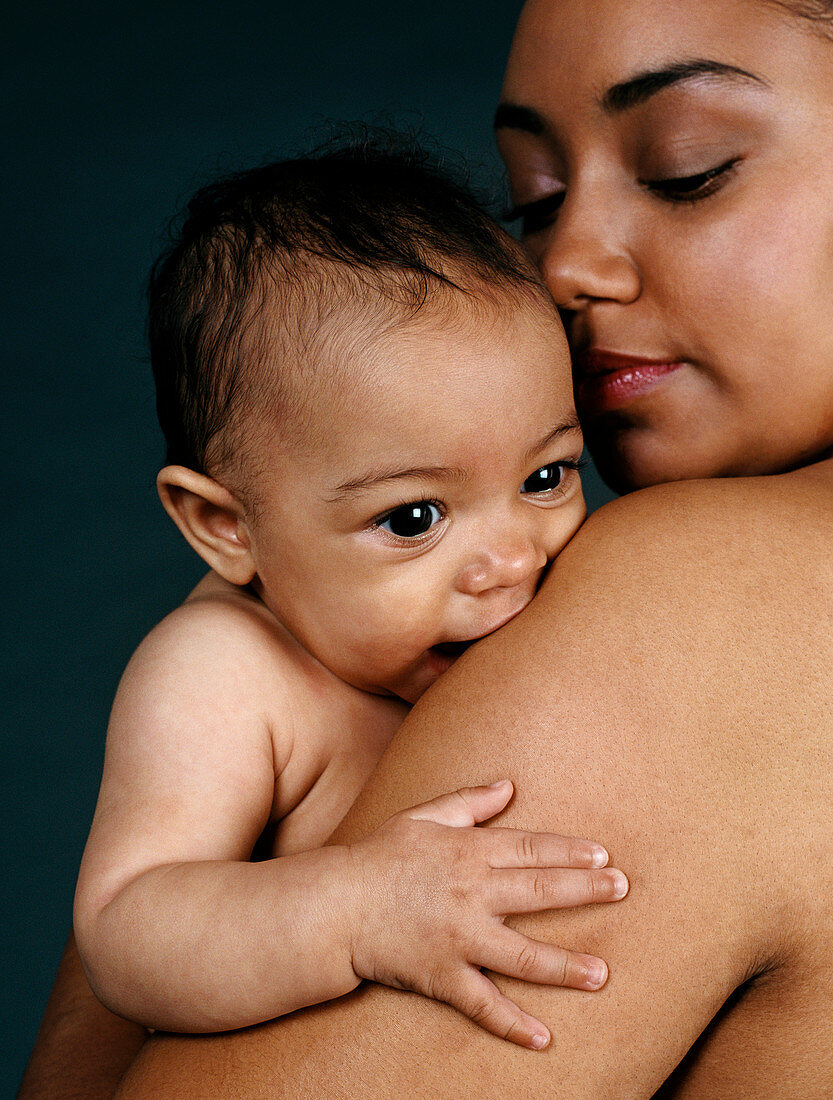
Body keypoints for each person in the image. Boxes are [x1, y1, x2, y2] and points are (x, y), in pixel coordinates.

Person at [19, 0, 833, 1095]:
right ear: (220, 522)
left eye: (688, 169)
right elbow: (136, 924)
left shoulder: (698, 597)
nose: (563, 268)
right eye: (532, 200)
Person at [71, 142, 629, 1054]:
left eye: (544, 474)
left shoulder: (555, 591)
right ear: (226, 527)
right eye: (413, 517)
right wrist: (357, 910)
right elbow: (128, 931)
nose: (510, 560)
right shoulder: (228, 672)